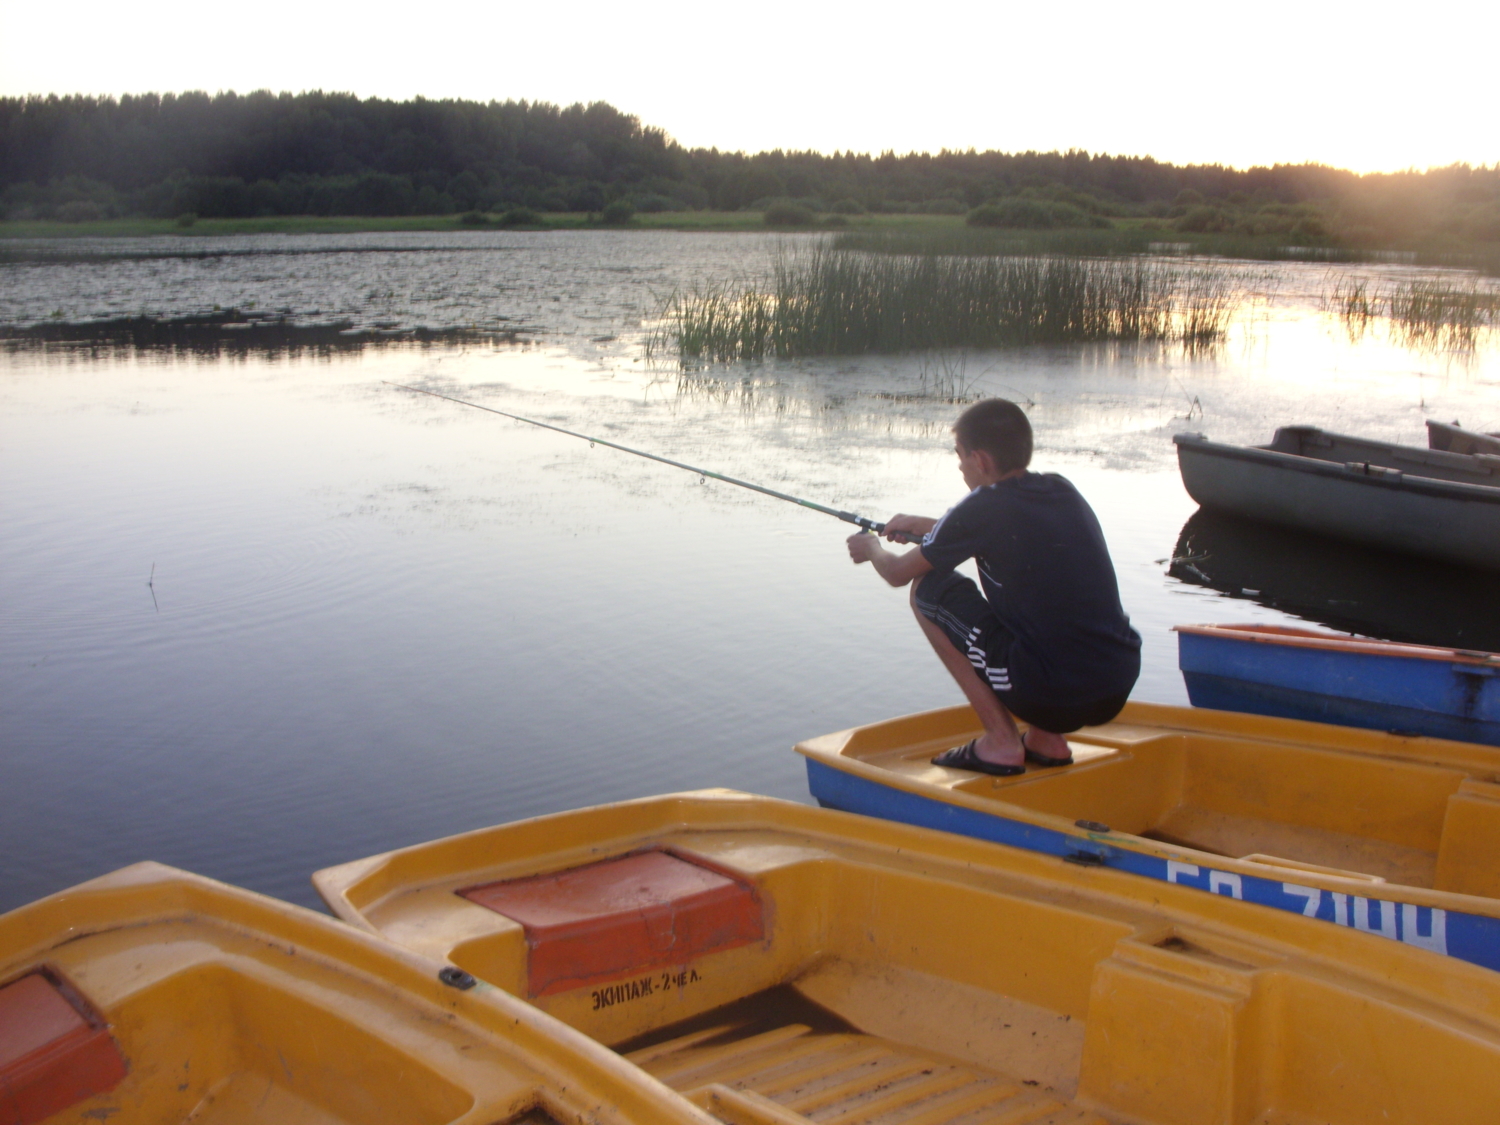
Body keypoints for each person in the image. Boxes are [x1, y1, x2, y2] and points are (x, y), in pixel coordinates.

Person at [846, 398, 1140, 775]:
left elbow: (898, 573)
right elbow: (1006, 535)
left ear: (981, 460)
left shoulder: (983, 506)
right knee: (1051, 610)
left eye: (960, 457)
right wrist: (930, 526)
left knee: (927, 591)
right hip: (1115, 683)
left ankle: (1001, 742)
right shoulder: (1060, 490)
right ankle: (1046, 739)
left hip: (1051, 692)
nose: (960, 467)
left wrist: (872, 548)